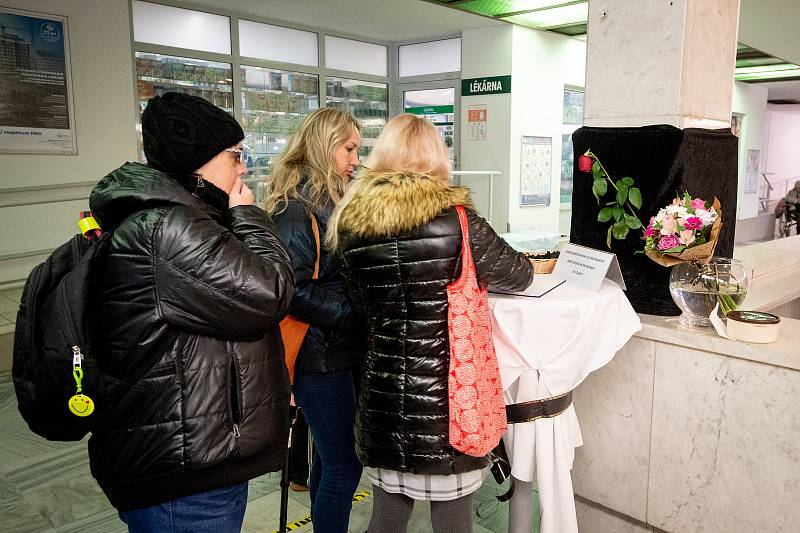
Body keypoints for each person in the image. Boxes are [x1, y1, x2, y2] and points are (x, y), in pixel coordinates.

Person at [87, 92, 295, 531]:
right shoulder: (168, 226)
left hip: (195, 452)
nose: (243, 168)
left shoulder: (177, 219)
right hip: (182, 475)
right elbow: (268, 293)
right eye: (235, 156)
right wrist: (249, 216)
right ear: (198, 160)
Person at [326, 114, 534, 533]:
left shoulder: (350, 222)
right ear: (437, 158)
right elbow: (520, 273)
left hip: (382, 400)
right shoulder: (457, 220)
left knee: (384, 520)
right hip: (451, 410)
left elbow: (359, 304)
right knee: (453, 524)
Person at [264, 107, 365, 533]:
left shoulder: (328, 199)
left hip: (336, 350)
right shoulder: (295, 209)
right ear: (325, 147)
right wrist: (353, 311)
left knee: (330, 459)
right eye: (349, 149)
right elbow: (293, 291)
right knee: (345, 466)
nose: (355, 159)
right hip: (317, 357)